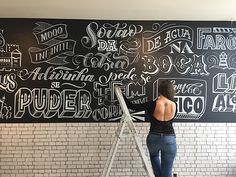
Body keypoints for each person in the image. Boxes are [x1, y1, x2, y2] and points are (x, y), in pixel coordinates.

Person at [123, 80, 177, 177]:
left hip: (154, 137)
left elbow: (131, 106)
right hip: (169, 139)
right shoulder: (174, 104)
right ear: (170, 90)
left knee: (154, 156)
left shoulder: (152, 104)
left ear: (159, 90)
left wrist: (122, 94)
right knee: (168, 172)